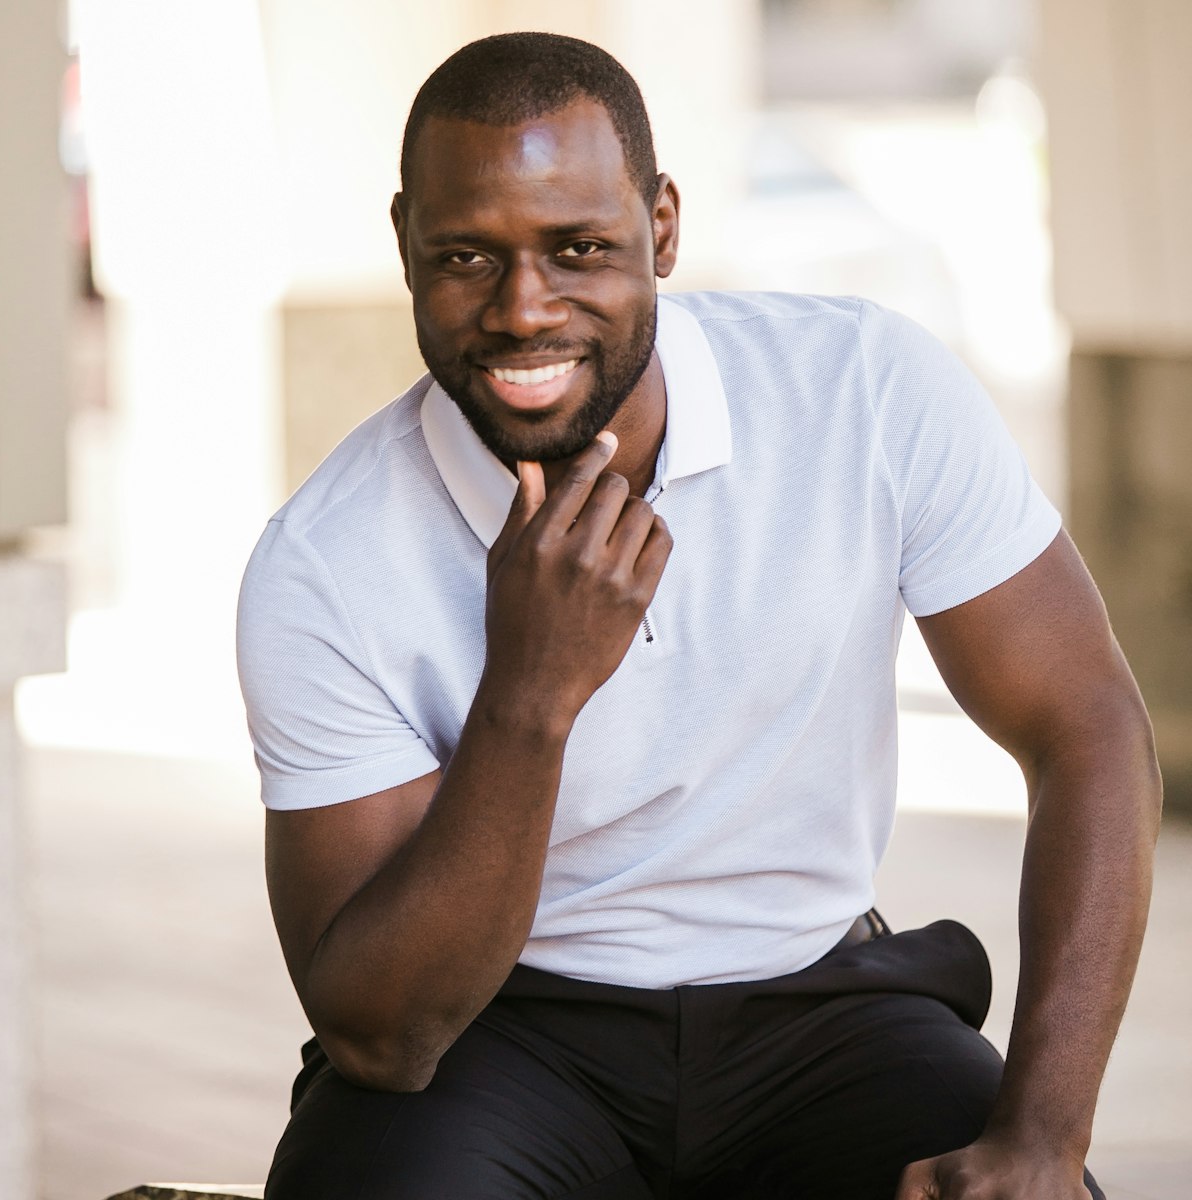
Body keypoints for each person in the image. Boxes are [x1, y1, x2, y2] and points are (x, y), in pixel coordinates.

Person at [236, 31, 1160, 1200]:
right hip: (500, 1034)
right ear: (407, 244)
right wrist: (531, 693)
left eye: (579, 248)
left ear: (662, 227)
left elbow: (1087, 726)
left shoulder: (864, 389)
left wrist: (1044, 1134)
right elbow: (384, 1036)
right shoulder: (325, 564)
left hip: (824, 1011)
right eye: (466, 256)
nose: (524, 309)